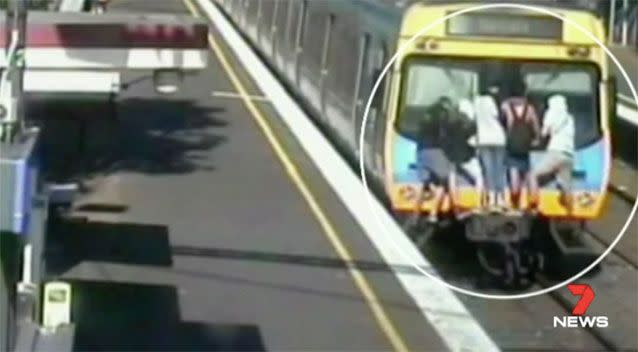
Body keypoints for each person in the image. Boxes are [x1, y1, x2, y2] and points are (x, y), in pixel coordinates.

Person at [409, 97, 454, 225]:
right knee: (443, 182)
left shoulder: (427, 115)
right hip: (435, 151)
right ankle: (433, 214)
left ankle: (415, 212)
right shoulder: (443, 115)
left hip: (421, 150)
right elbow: (444, 134)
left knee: (424, 184)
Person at [529, 94, 575, 210]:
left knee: (533, 175)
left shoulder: (551, 114)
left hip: (555, 152)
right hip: (569, 155)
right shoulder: (569, 118)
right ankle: (570, 211)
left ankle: (534, 203)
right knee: (566, 187)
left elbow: (544, 133)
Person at [501, 80, 541, 208]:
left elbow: (503, 124)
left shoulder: (506, 106)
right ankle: (534, 199)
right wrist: (537, 139)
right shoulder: (529, 108)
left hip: (511, 145)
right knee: (529, 171)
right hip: (525, 146)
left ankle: (515, 199)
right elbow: (536, 127)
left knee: (514, 172)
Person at [464, 95, 507, 210]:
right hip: (499, 139)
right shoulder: (490, 101)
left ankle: (492, 199)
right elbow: (497, 116)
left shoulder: (476, 103)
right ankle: (501, 199)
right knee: (499, 169)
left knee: (489, 169)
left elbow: (471, 119)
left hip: (484, 139)